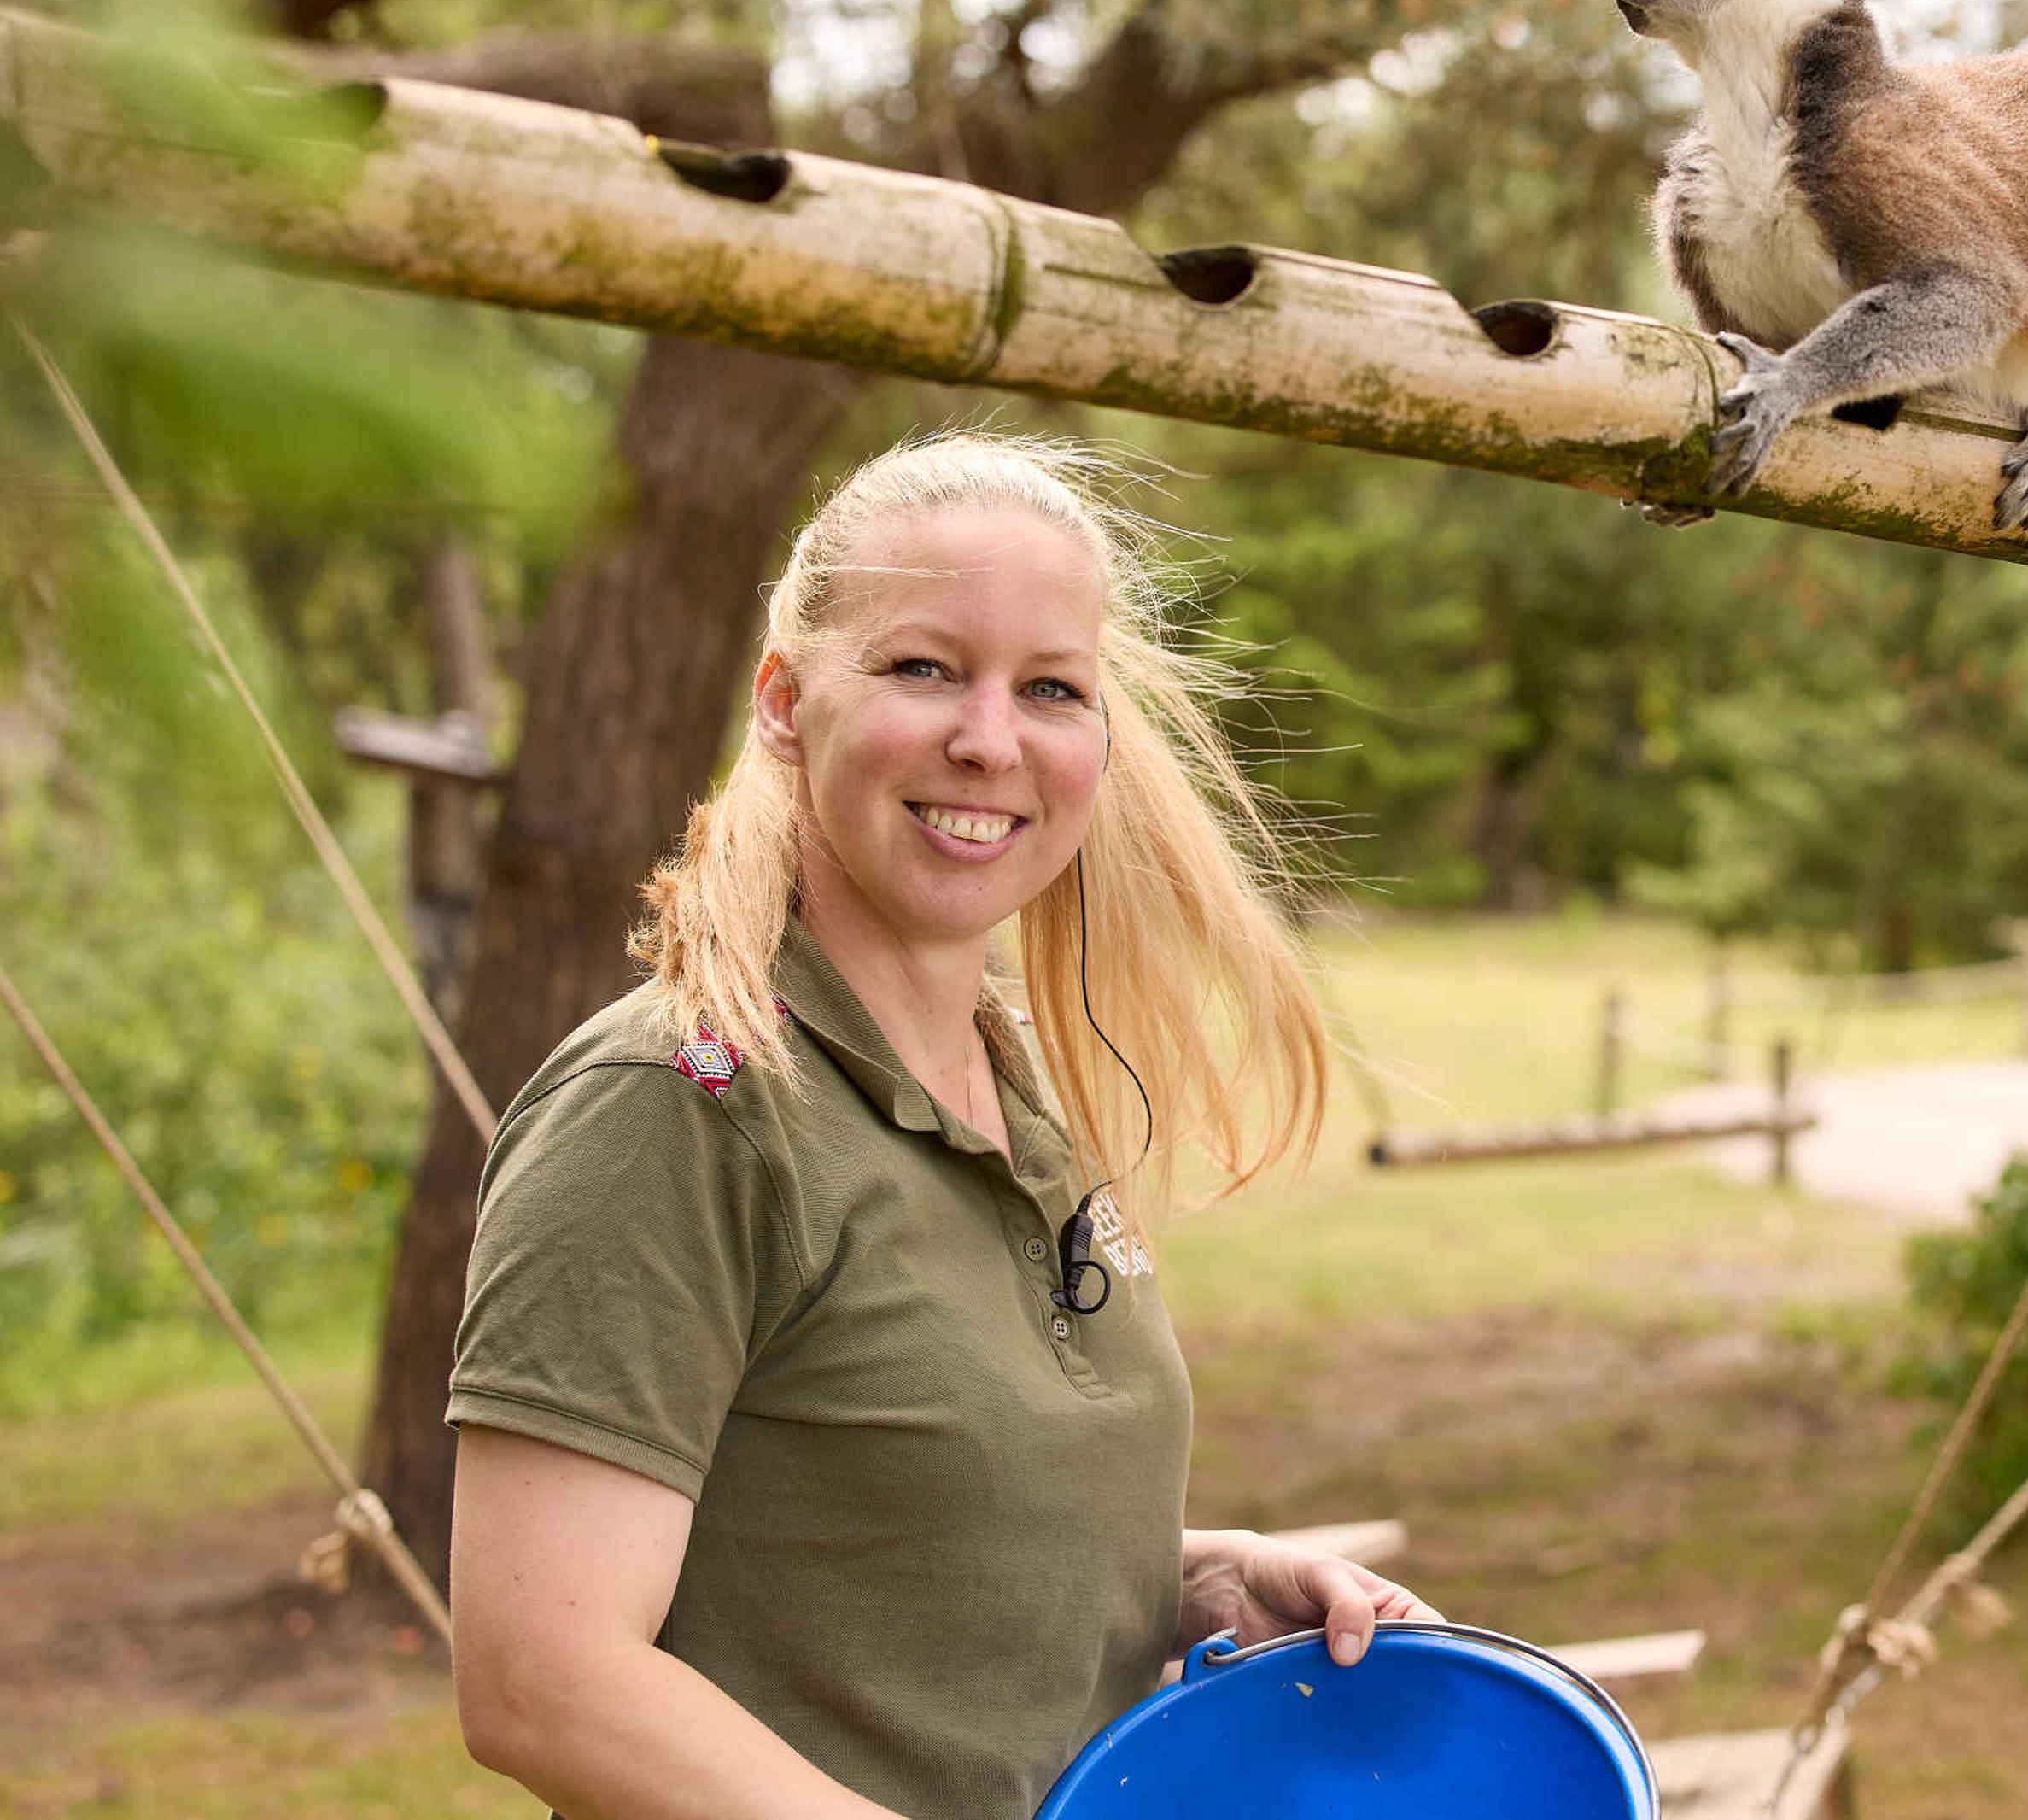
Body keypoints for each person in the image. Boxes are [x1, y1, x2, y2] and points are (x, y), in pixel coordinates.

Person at [444, 434, 1435, 1820]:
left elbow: (897, 1538)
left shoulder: (1031, 1090)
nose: (990, 736)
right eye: (923, 668)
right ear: (786, 703)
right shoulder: (680, 1103)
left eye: (1050, 688)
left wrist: (1196, 1581)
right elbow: (544, 1677)